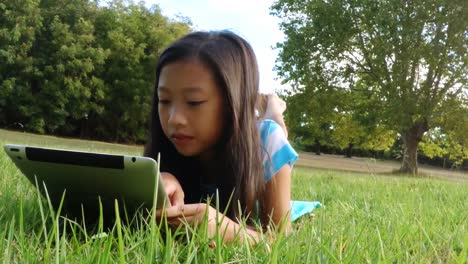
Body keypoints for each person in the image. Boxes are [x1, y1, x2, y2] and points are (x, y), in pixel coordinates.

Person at [144, 30, 298, 244]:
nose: (174, 119)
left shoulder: (267, 143)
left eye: (194, 102)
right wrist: (158, 182)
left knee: (276, 129)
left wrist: (232, 232)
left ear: (231, 103)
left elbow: (281, 239)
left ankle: (273, 106)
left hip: (258, 136)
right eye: (164, 100)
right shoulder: (168, 145)